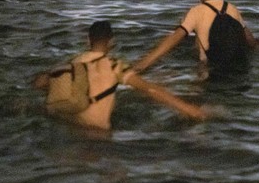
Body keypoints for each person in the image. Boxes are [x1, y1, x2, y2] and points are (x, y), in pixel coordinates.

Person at [34, 20, 208, 130]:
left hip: (71, 130)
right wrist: (191, 110)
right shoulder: (114, 66)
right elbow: (149, 89)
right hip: (99, 136)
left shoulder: (71, 64)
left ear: (88, 40)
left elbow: (41, 82)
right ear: (111, 42)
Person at [133, 0, 259, 76]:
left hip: (210, 72)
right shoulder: (232, 8)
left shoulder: (196, 12)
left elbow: (174, 39)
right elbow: (250, 40)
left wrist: (141, 65)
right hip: (239, 71)